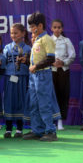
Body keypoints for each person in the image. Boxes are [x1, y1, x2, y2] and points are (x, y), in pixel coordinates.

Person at [23, 12, 60, 141]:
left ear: (40, 25)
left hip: (43, 74)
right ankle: (37, 129)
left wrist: (36, 67)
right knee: (34, 103)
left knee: (44, 103)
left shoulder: (47, 39)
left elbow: (51, 58)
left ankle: (50, 130)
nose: (31, 29)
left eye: (33, 26)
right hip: (33, 76)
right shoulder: (37, 40)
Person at [3, 23, 31, 138]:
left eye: (16, 33)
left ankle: (19, 129)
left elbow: (31, 63)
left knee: (21, 102)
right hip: (10, 78)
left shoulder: (28, 48)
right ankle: (8, 129)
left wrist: (26, 61)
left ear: (23, 33)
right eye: (11, 33)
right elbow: (3, 62)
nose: (13, 35)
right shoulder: (7, 48)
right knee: (9, 101)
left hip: (23, 78)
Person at [50, 19, 76, 130]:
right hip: (51, 71)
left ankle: (60, 122)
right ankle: (51, 121)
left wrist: (63, 62)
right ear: (51, 28)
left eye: (59, 27)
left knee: (62, 96)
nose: (57, 29)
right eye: (55, 27)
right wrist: (51, 61)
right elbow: (44, 55)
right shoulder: (48, 40)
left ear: (62, 29)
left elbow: (72, 55)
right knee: (51, 95)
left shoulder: (66, 41)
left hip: (63, 71)